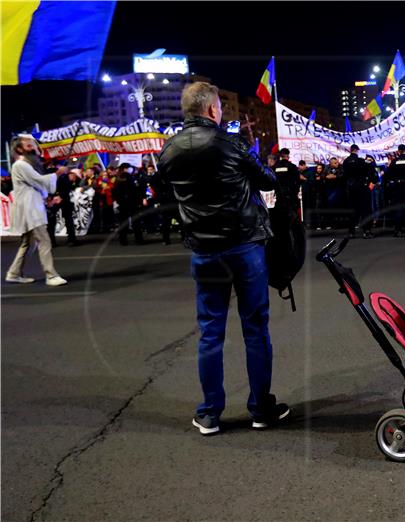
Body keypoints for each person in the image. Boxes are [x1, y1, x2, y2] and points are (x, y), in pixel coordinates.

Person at [158, 81, 289, 435]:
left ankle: (210, 412)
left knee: (210, 332)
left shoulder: (168, 149)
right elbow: (267, 181)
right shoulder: (231, 144)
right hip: (245, 246)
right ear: (212, 109)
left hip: (204, 251)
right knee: (255, 329)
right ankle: (261, 408)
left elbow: (164, 190)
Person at [5, 135, 68, 286]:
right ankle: (51, 275)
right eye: (29, 146)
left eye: (33, 145)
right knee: (44, 241)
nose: (33, 148)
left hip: (30, 208)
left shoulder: (23, 165)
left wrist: (47, 198)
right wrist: (58, 174)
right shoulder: (21, 165)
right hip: (30, 210)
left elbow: (36, 185)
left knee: (28, 243)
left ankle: (13, 273)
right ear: (19, 149)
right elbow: (39, 181)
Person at [342, 144, 377, 238]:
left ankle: (351, 232)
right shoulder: (362, 160)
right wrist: (372, 182)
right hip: (363, 187)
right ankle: (366, 231)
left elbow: (344, 175)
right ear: (357, 150)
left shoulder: (346, 161)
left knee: (352, 210)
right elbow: (371, 169)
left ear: (350, 150)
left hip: (351, 188)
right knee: (365, 209)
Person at [112, 163, 145, 245]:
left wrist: (118, 200)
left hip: (122, 204)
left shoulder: (117, 179)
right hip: (132, 202)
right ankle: (138, 239)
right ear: (125, 169)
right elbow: (135, 190)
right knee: (136, 221)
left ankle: (123, 240)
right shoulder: (130, 178)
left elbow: (114, 192)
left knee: (123, 222)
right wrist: (139, 200)